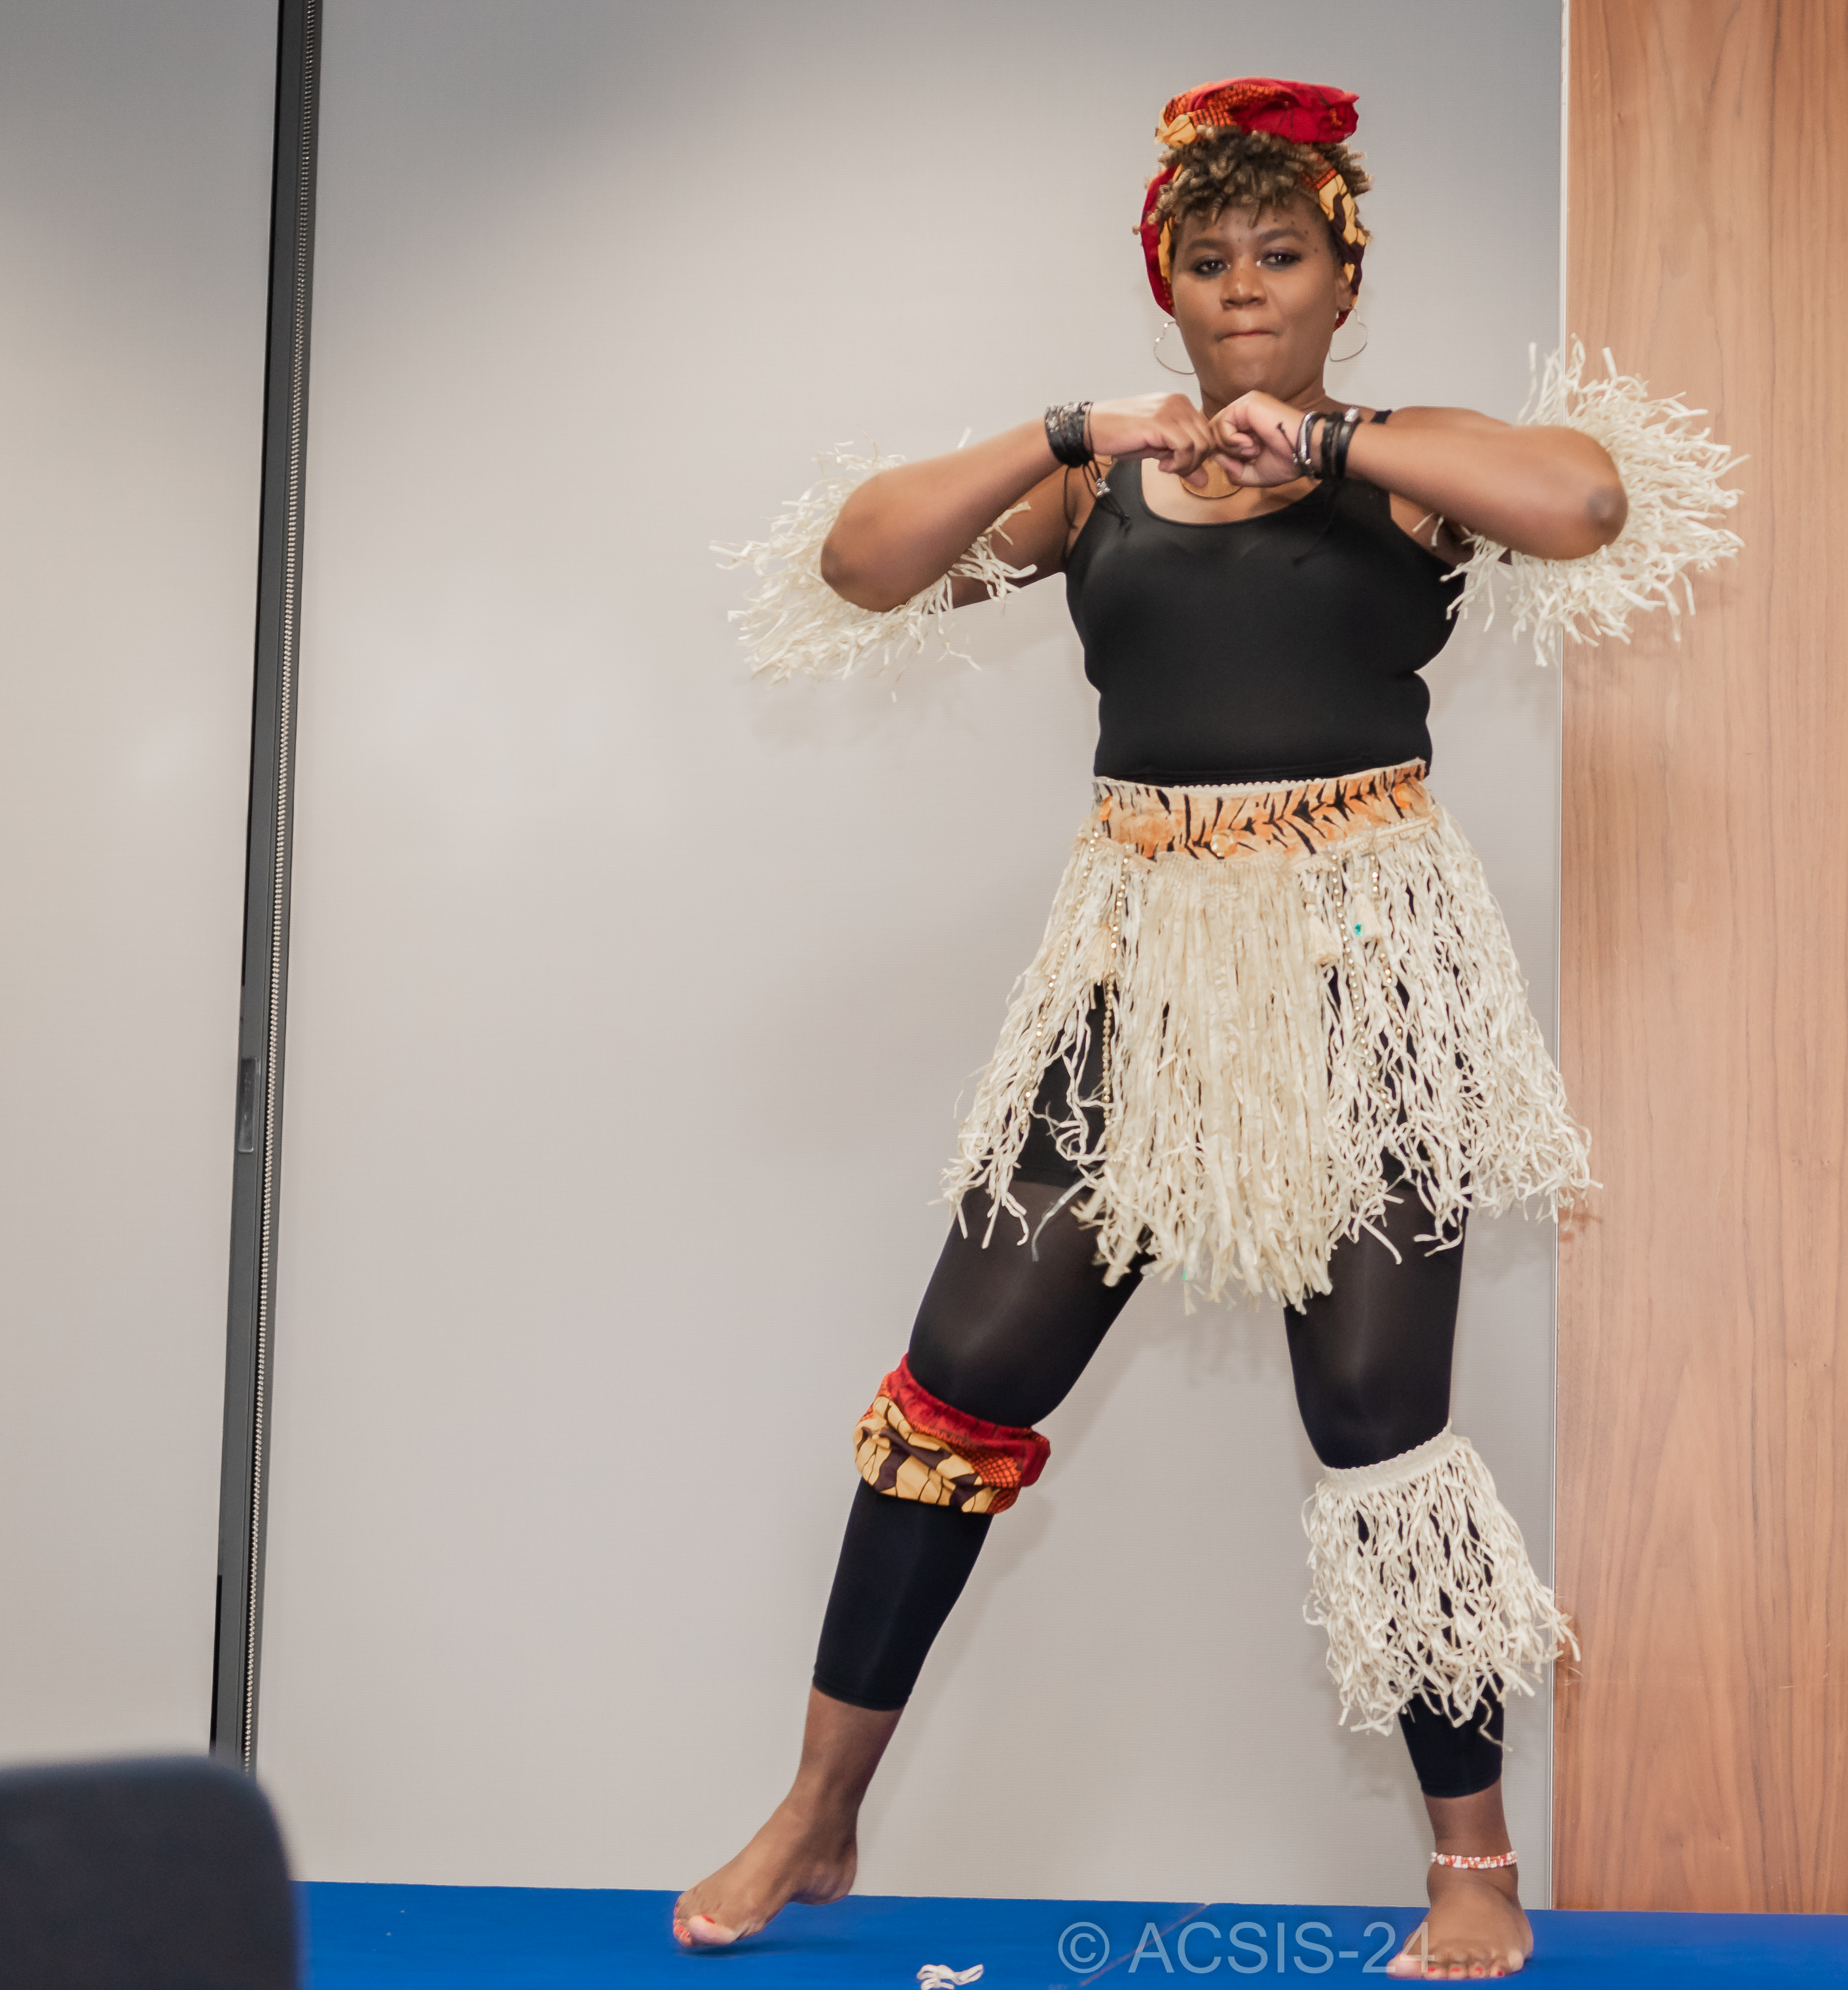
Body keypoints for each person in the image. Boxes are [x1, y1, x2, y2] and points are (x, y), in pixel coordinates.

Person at [685, 77, 1739, 1978]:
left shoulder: (1407, 463)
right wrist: (1067, 428)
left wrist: (1328, 441)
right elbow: (861, 561)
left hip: (1369, 971)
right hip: (1141, 965)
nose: (1245, 288)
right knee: (961, 1374)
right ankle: (820, 1809)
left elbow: (1585, 503)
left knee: (1377, 1415)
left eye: (1281, 256)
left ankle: (1476, 1864)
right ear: (1163, 289)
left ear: (1344, 282)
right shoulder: (1096, 485)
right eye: (1209, 260)